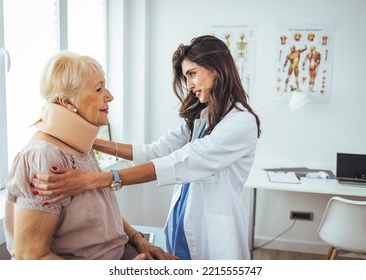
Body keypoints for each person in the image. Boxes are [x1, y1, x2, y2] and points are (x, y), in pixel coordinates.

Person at [32, 35, 261, 260]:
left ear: (217, 68)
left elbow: (180, 162)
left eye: (192, 74)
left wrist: (92, 179)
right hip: (181, 228)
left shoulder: (240, 123)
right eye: (186, 77)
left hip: (214, 238)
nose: (189, 85)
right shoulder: (203, 118)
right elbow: (154, 151)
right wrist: (89, 140)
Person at [3, 51, 176, 260]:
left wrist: (138, 240)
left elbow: (102, 213)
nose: (110, 96)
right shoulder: (45, 157)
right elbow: (31, 257)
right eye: (98, 89)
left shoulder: (81, 148)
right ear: (67, 103)